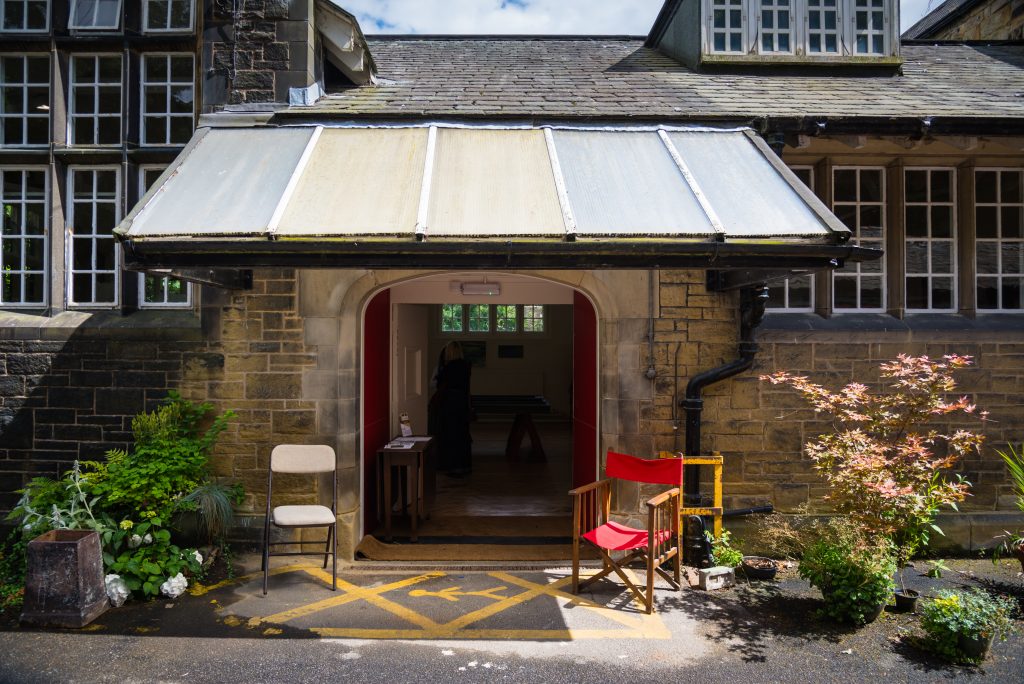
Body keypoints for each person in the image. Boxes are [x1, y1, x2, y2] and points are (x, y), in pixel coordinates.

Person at [432, 340, 473, 477]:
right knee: (462, 434)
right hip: (461, 402)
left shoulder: (448, 368)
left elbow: (439, 384)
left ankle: (452, 465)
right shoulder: (466, 366)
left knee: (450, 434)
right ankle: (464, 465)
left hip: (450, 403)